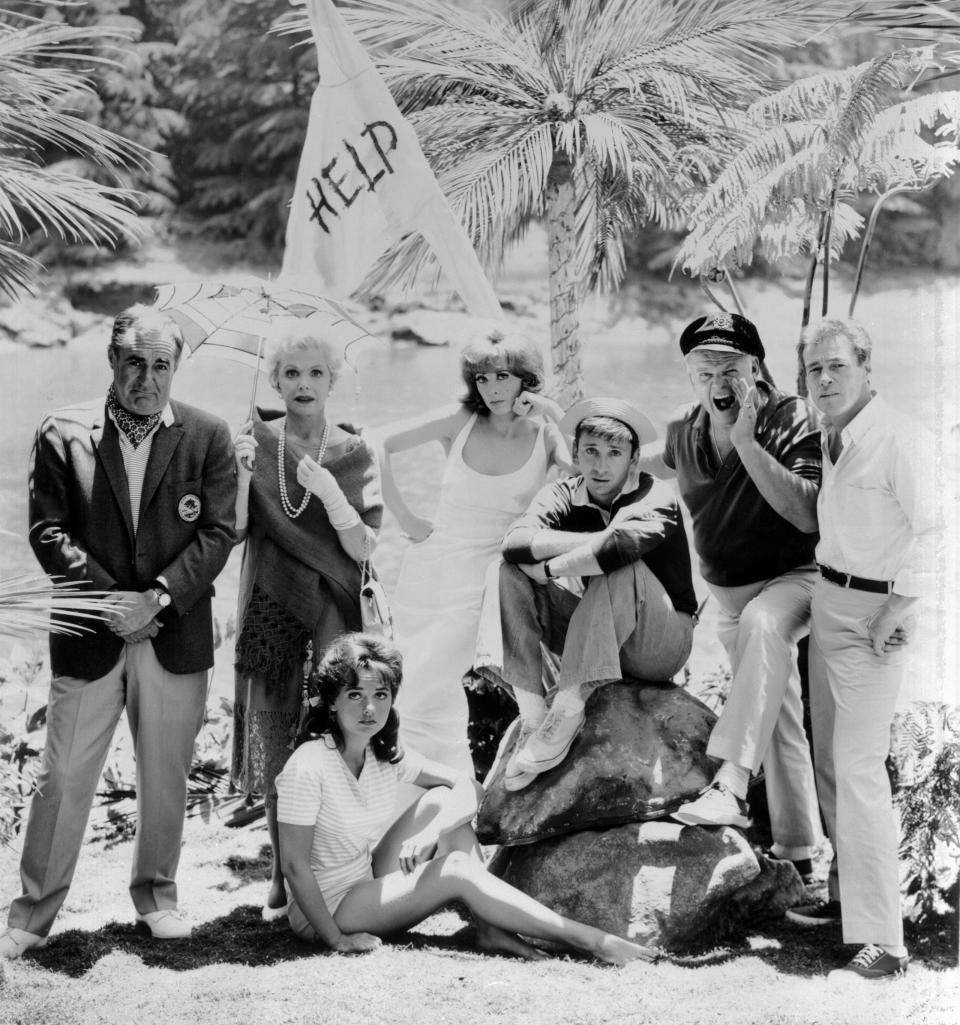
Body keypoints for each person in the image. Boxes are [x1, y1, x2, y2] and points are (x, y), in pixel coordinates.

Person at [1, 305, 237, 958]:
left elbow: (219, 533)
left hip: (176, 631)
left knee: (166, 773)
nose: (147, 378)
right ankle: (31, 914)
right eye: (135, 362)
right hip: (90, 631)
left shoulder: (208, 435)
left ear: (175, 368)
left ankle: (158, 894)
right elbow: (47, 530)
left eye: (162, 365)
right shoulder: (62, 430)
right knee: (64, 773)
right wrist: (113, 601)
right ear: (112, 360)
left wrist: (157, 597)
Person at [275, 631, 656, 964]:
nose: (370, 708)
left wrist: (432, 832)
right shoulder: (309, 766)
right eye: (354, 694)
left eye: (381, 694)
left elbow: (466, 786)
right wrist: (336, 939)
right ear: (331, 702)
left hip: (362, 877)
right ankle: (590, 940)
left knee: (442, 803)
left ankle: (490, 929)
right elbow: (294, 867)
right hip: (326, 908)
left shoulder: (382, 752)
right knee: (454, 868)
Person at [645, 312, 823, 882]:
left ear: (755, 367)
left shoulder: (793, 416)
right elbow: (638, 463)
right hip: (727, 603)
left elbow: (805, 512)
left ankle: (731, 783)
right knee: (778, 721)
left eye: (730, 369)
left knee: (766, 626)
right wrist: (566, 443)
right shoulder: (683, 428)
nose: (719, 385)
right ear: (688, 374)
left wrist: (746, 443)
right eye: (704, 372)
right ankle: (799, 861)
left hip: (796, 582)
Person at [786, 319, 939, 981]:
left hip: (878, 613)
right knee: (832, 763)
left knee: (858, 768)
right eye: (815, 368)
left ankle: (885, 943)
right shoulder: (833, 435)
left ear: (866, 366)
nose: (824, 378)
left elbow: (941, 527)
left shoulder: (900, 436)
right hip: (831, 600)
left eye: (837, 366)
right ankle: (850, 903)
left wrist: (900, 605)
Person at [231, 323, 382, 920]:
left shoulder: (353, 450)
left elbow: (365, 546)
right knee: (274, 731)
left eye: (315, 372)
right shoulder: (253, 439)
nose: (303, 383)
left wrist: (330, 496)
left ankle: (336, 860)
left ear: (332, 382)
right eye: (291, 372)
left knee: (327, 727)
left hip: (332, 604)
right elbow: (237, 530)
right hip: (269, 599)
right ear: (275, 380)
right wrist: (241, 474)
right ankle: (279, 867)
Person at [474, 397, 698, 790]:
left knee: (621, 563)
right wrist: (594, 541)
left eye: (614, 453)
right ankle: (532, 714)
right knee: (504, 571)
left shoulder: (655, 495)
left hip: (657, 641)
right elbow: (515, 542)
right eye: (590, 451)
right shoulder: (563, 494)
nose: (600, 464)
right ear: (575, 453)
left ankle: (569, 707)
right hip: (596, 628)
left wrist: (549, 567)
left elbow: (619, 549)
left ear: (633, 461)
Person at [381, 325, 569, 777]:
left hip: (493, 572)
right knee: (419, 682)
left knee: (438, 683)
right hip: (435, 567)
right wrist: (404, 515)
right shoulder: (459, 421)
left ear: (525, 376)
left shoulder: (544, 434)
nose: (492, 389)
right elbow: (378, 442)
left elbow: (585, 465)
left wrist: (551, 409)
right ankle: (427, 790)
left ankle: (447, 790)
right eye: (482, 378)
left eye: (502, 376)